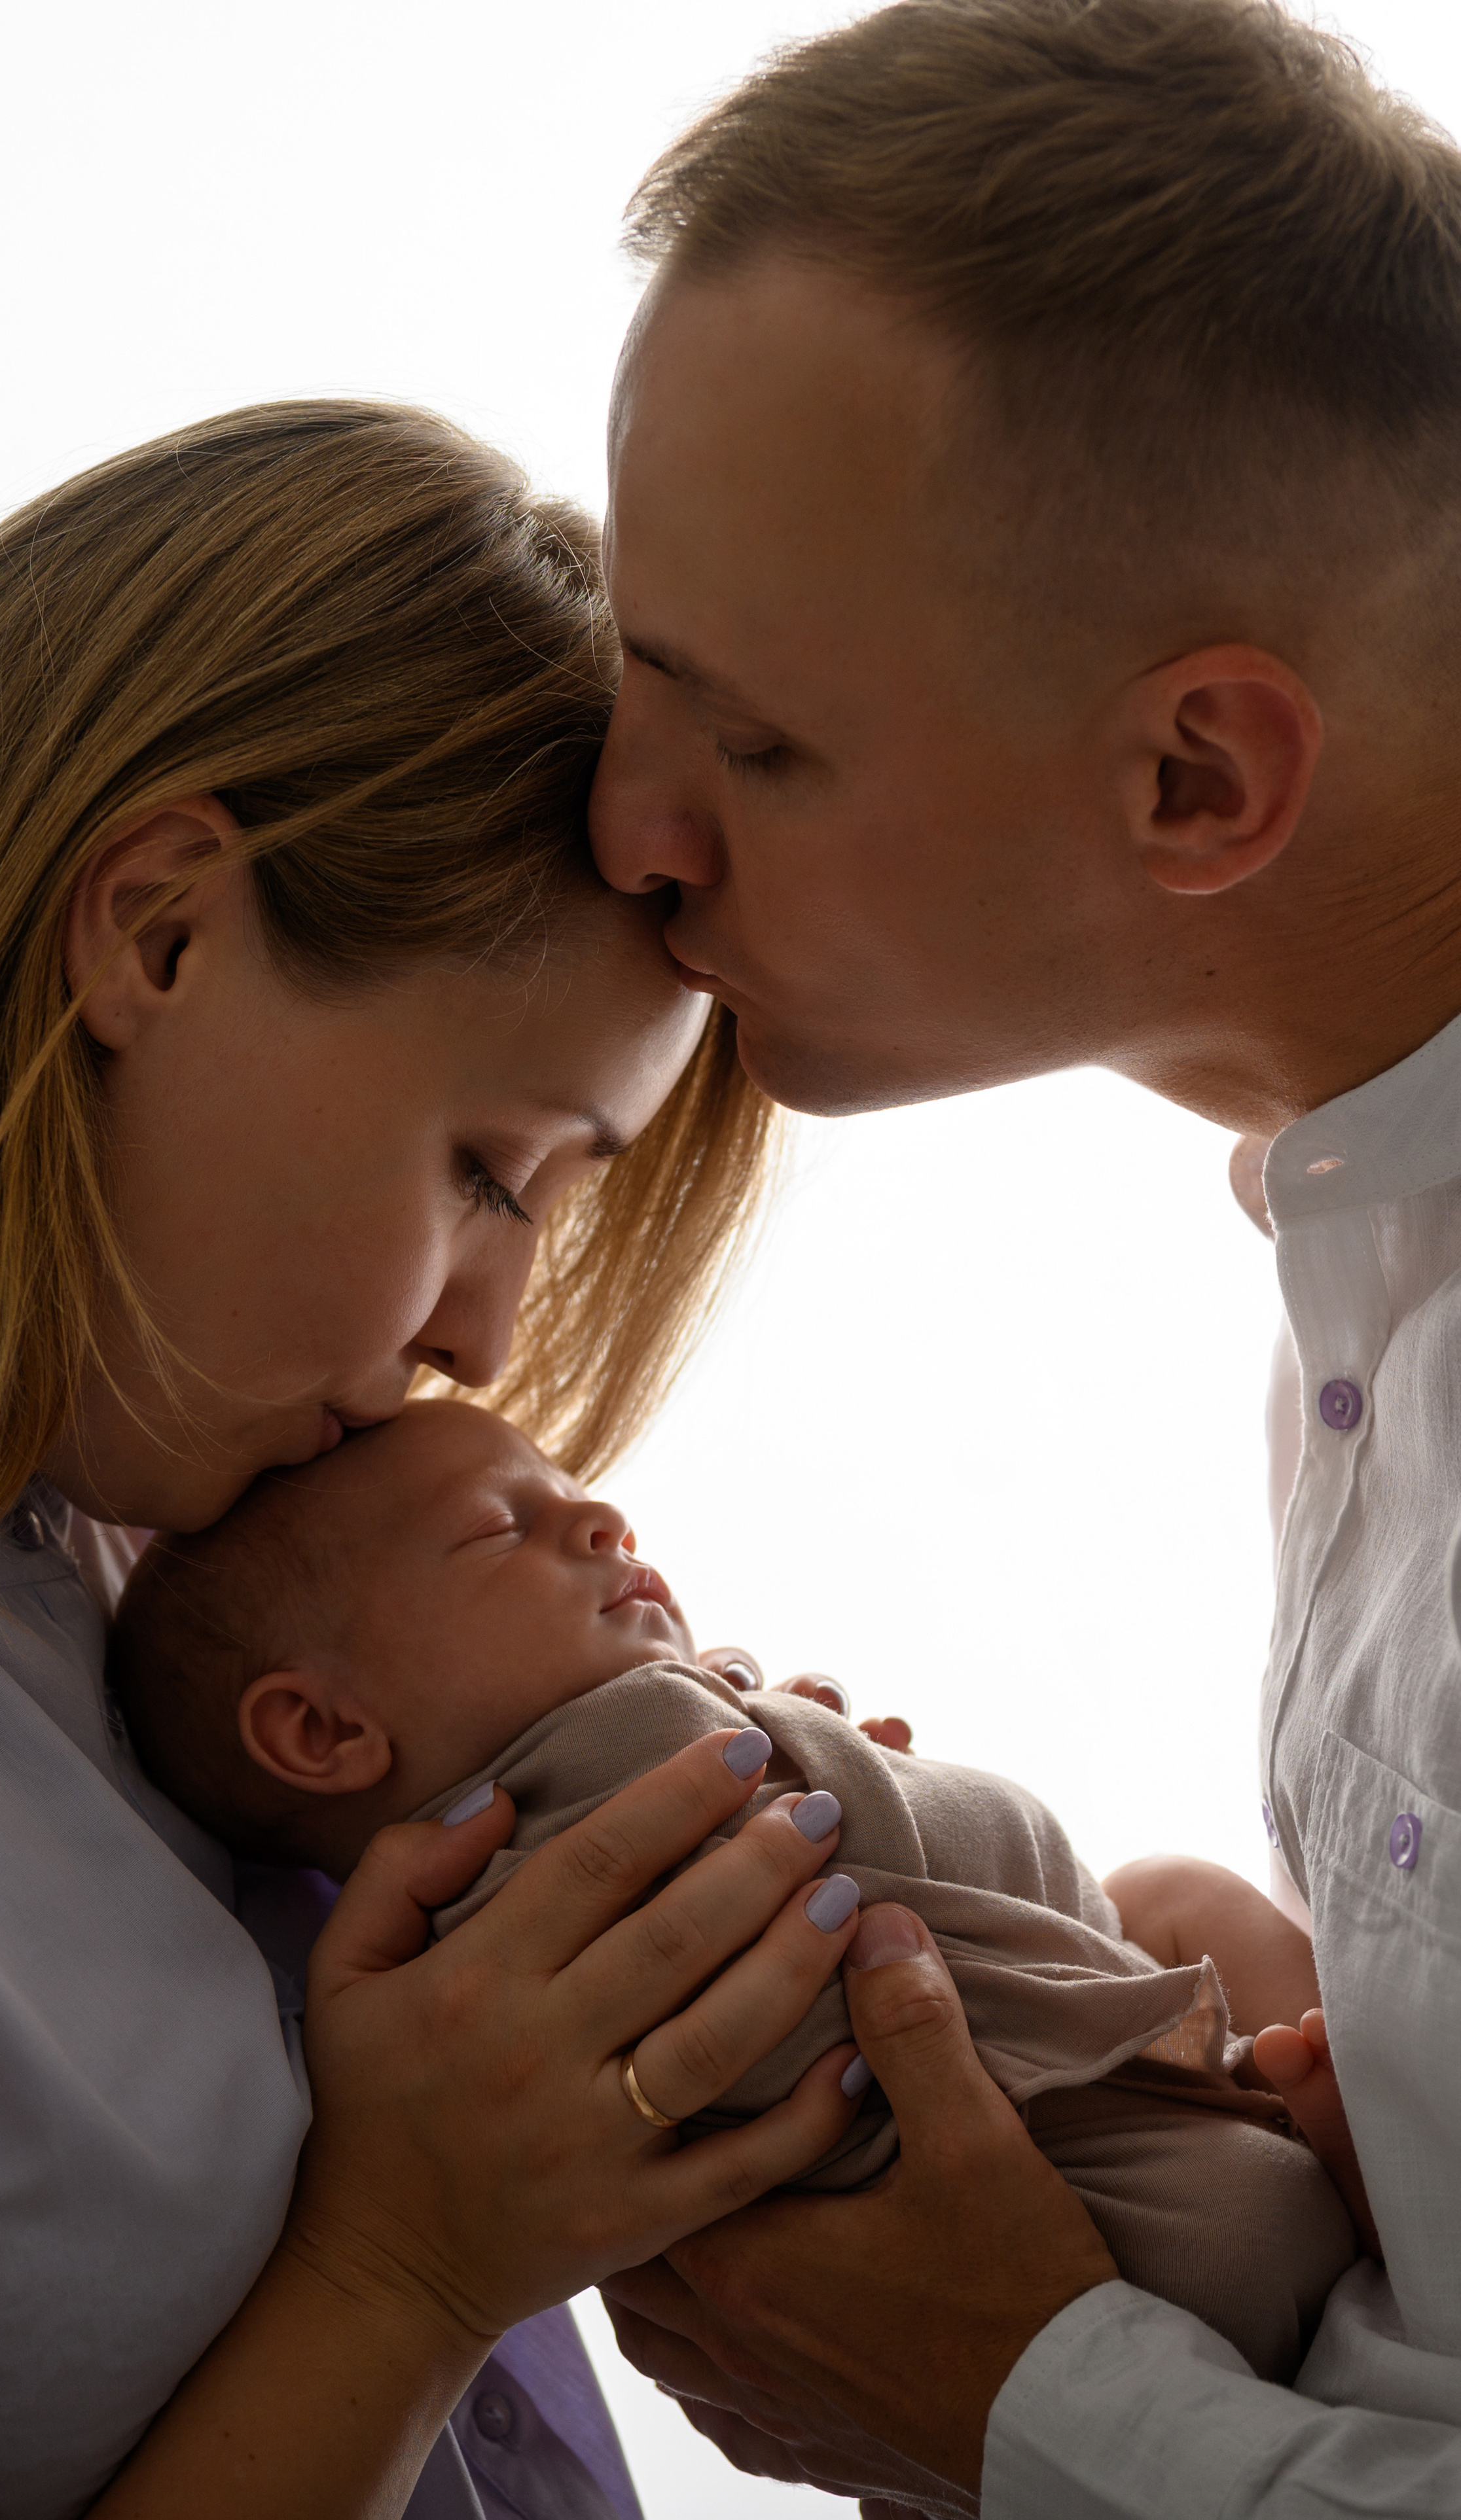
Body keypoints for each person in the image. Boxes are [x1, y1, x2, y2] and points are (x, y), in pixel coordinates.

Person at [0, 400, 869, 2518]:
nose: (487, 1338)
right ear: (160, 930)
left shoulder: (150, 1581)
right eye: (490, 1168)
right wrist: (402, 2270)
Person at [586, 0, 1461, 2511]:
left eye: (751, 742)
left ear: (1201, 774)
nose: (630, 825)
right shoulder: (1360, 1256)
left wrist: (1020, 2411)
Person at [105, 1392, 1359, 2410]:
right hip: (1146, 2228)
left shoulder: (486, 1922)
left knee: (1168, 1900)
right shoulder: (619, 1762)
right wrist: (805, 1746)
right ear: (323, 1727)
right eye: (501, 1528)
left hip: (1089, 2181)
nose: (603, 1519)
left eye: (574, 1495)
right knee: (1211, 2016)